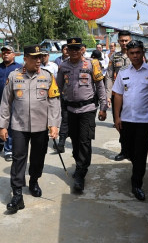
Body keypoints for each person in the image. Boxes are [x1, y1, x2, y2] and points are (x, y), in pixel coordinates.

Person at [0, 45, 61, 213]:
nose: (38, 60)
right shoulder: (14, 76)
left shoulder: (47, 76)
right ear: (25, 59)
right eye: (34, 57)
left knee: (38, 157)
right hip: (19, 125)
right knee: (18, 158)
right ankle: (17, 194)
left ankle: (34, 180)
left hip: (41, 125)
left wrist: (54, 124)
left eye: (40, 57)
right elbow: (6, 103)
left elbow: (54, 102)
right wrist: (2, 126)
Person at [112, 40, 148, 201]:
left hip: (145, 121)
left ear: (143, 53)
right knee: (128, 150)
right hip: (126, 119)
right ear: (128, 54)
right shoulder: (123, 72)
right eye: (132, 53)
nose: (135, 56)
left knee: (141, 153)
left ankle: (137, 184)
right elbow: (118, 95)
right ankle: (136, 166)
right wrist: (117, 117)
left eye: (138, 52)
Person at [56, 37, 107, 192]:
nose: (74, 52)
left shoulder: (92, 64)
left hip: (88, 109)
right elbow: (58, 88)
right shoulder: (63, 66)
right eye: (71, 49)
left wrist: (103, 106)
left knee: (84, 141)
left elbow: (100, 86)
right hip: (70, 110)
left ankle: (80, 173)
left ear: (82, 50)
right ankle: (79, 165)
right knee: (75, 140)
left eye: (77, 49)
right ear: (67, 50)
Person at [105, 30, 132, 161]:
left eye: (126, 40)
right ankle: (124, 150)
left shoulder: (136, 55)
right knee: (119, 123)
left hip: (133, 96)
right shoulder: (114, 57)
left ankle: (131, 149)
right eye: (122, 40)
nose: (124, 43)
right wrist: (108, 95)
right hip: (118, 96)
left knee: (132, 124)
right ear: (118, 41)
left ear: (130, 40)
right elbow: (109, 77)